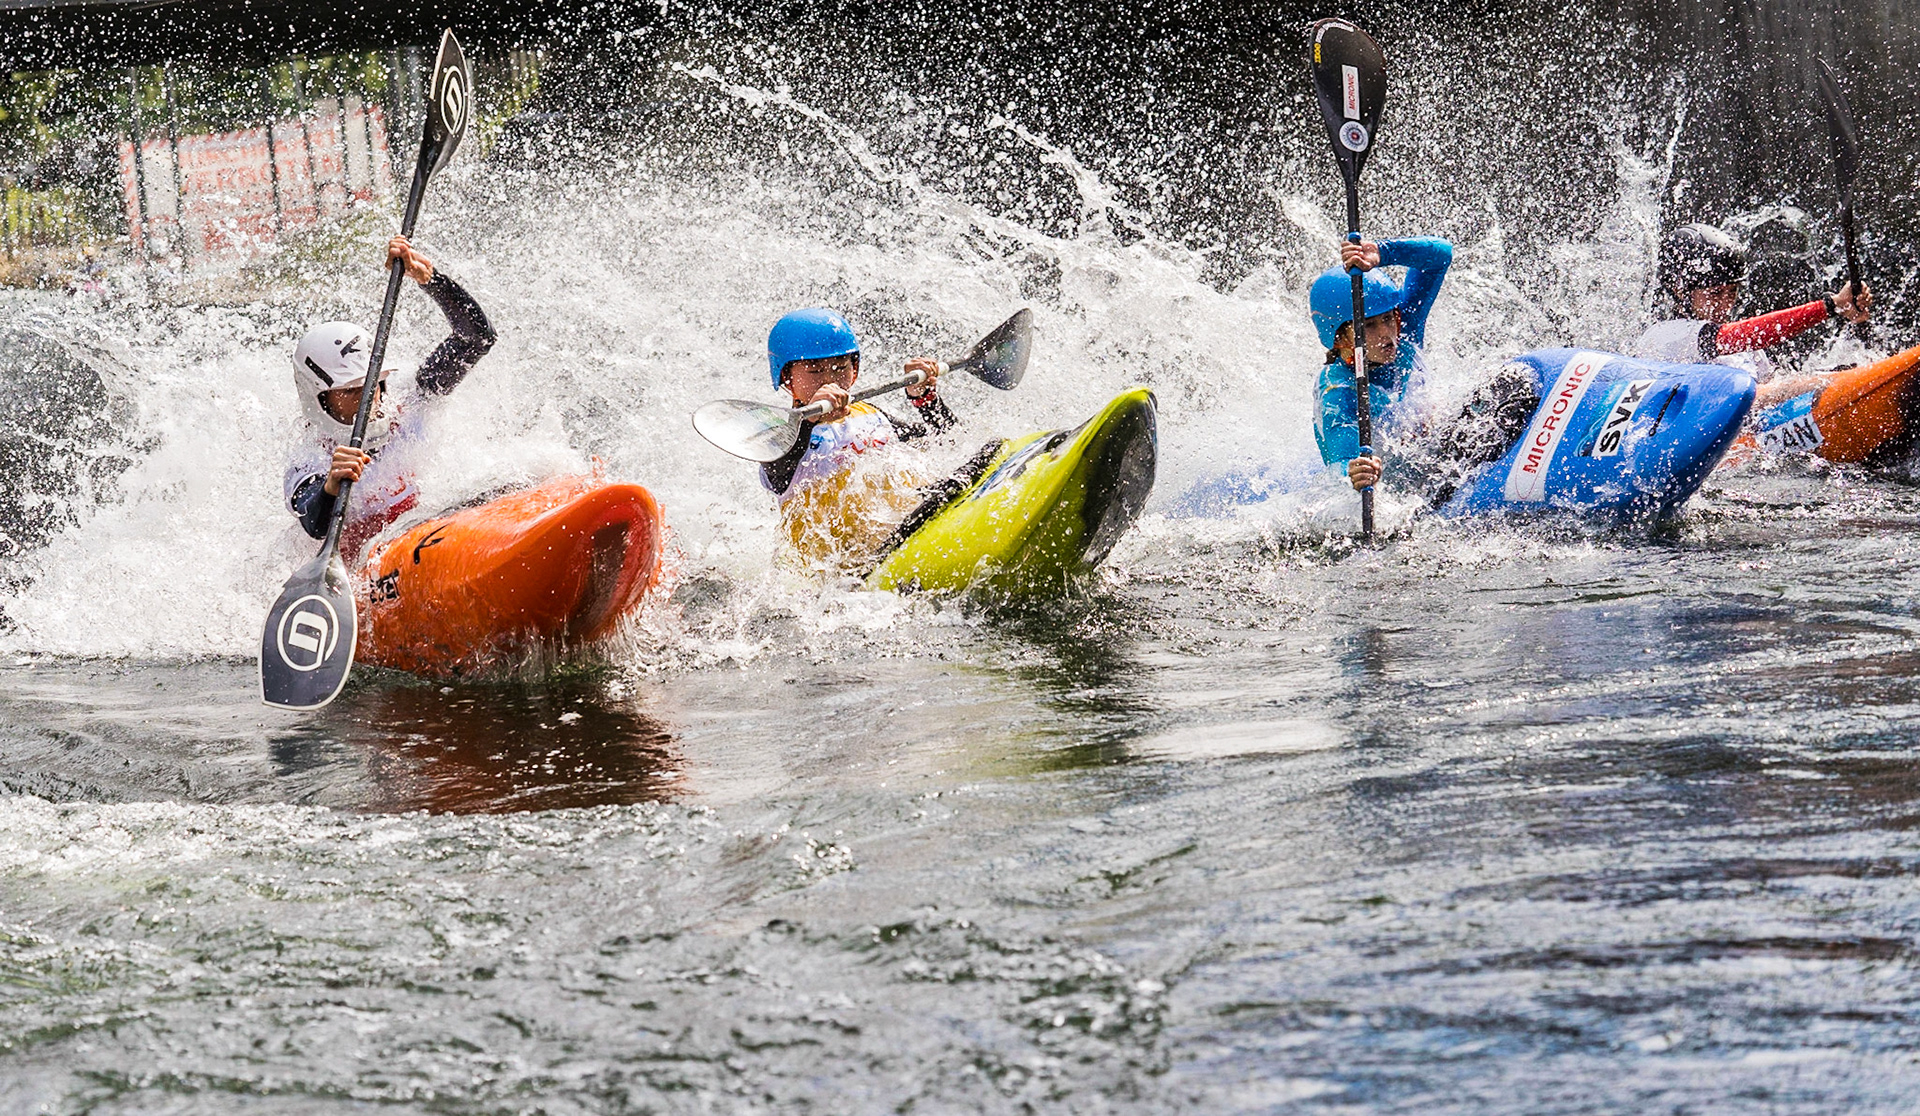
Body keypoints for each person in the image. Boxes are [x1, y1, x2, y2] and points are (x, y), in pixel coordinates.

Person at [285, 236, 495, 558]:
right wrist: (330, 486)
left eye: (374, 383)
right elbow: (315, 522)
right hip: (364, 566)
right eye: (351, 391)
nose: (369, 398)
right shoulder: (310, 457)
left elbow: (476, 339)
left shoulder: (413, 398)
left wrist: (430, 279)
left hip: (428, 539)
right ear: (318, 398)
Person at [757, 308, 961, 571]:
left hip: (905, 538)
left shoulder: (872, 416)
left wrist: (925, 398)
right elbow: (781, 462)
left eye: (840, 367)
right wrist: (810, 419)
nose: (829, 380)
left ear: (854, 371)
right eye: (814, 371)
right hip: (840, 572)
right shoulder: (780, 438)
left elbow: (949, 441)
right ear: (787, 378)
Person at [1633, 223, 1869, 403]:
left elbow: (1775, 386)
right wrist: (1830, 306)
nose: (1725, 305)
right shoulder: (1663, 336)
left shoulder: (1745, 351)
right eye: (1715, 293)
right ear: (1680, 290)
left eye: (1732, 292)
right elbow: (1735, 337)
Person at [1310, 236, 1453, 494]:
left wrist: (1381, 253)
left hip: (1438, 454)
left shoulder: (1404, 329)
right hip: (1405, 487)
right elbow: (1340, 462)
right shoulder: (1338, 391)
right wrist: (1355, 472)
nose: (1386, 333)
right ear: (1340, 338)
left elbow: (1440, 256)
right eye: (1368, 326)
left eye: (1388, 319)